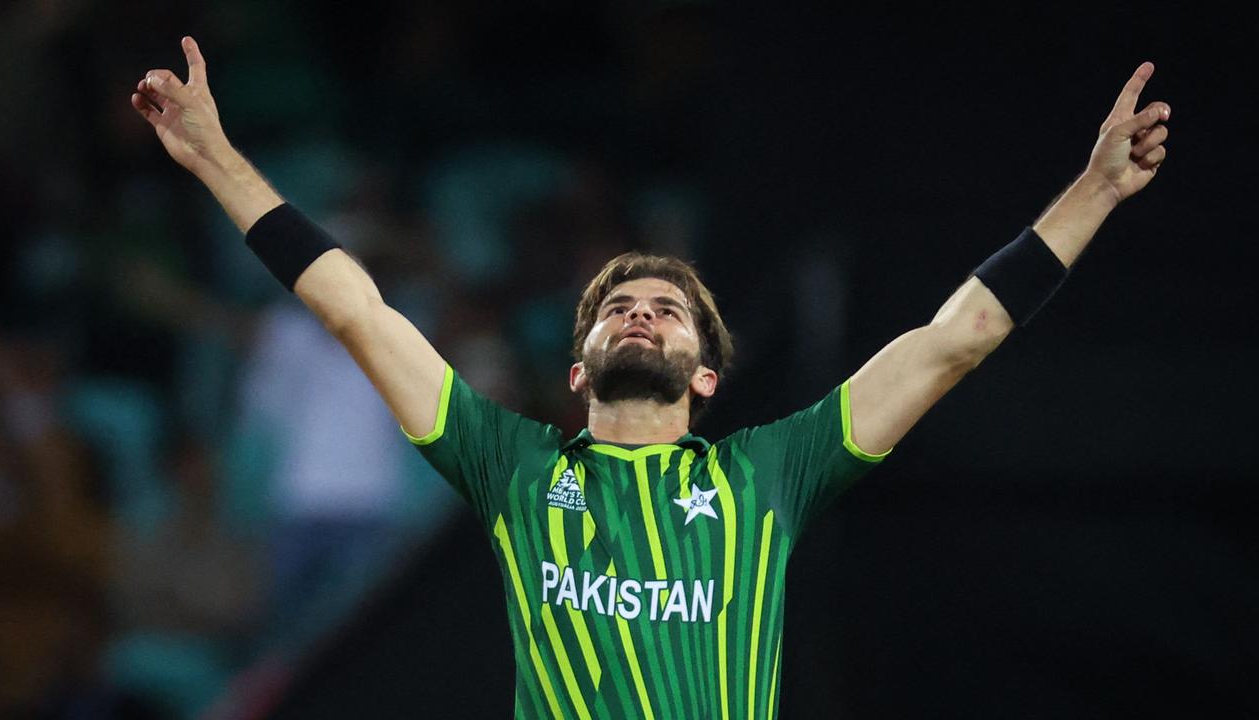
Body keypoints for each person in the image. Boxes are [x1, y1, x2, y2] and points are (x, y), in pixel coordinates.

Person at [132, 37, 1170, 719]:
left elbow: (955, 338)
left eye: (668, 309)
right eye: (617, 305)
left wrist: (1092, 191)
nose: (642, 310)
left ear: (706, 378)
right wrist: (218, 158)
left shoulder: (771, 474)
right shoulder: (511, 466)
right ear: (577, 366)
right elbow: (354, 309)